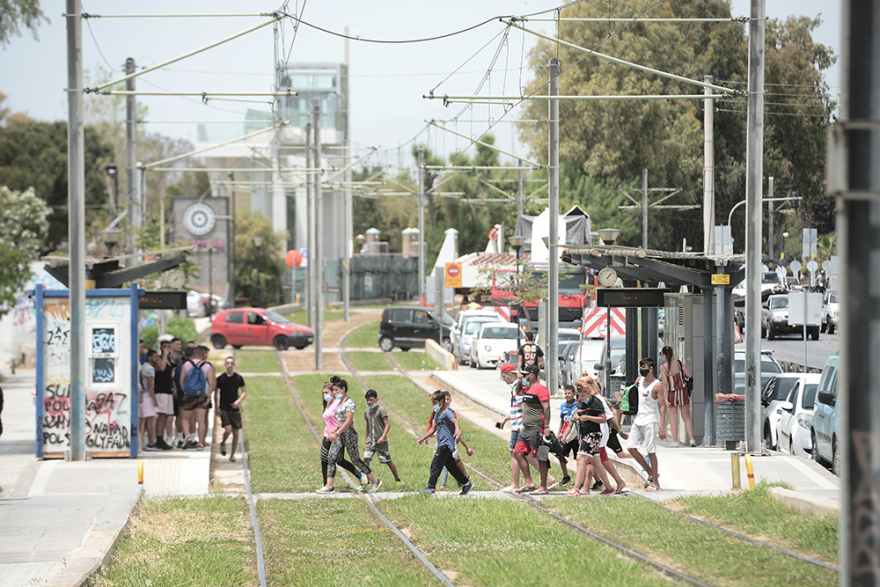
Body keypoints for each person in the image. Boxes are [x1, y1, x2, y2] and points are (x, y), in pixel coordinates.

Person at [318, 377, 381, 494]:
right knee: (331, 457)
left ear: (343, 389)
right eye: (334, 390)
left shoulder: (350, 403)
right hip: (339, 434)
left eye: (336, 390)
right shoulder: (340, 403)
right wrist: (333, 433)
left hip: (349, 434)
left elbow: (348, 421)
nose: (334, 392)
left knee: (355, 459)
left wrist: (336, 433)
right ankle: (329, 486)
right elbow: (339, 421)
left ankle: (375, 480)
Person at [418, 390, 474, 495]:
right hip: (442, 443)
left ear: (441, 401)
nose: (433, 405)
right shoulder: (437, 414)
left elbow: (455, 421)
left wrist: (457, 429)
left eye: (435, 403)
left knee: (435, 465)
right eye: (432, 403)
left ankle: (431, 488)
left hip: (446, 444)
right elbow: (433, 429)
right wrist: (423, 438)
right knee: (451, 466)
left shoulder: (447, 412)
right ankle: (466, 483)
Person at [568, 378, 613, 496]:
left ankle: (576, 488)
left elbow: (603, 419)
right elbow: (579, 412)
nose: (581, 398)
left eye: (583, 395)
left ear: (588, 393)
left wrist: (588, 418)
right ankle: (608, 486)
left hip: (593, 434)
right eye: (579, 396)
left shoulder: (596, 402)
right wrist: (577, 417)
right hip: (585, 433)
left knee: (580, 458)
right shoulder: (581, 402)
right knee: (596, 461)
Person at [628, 357, 666, 491]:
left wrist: (662, 427)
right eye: (641, 367)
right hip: (638, 418)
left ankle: (655, 482)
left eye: (644, 367)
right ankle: (651, 472)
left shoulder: (657, 385)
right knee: (631, 447)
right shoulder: (639, 380)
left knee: (651, 451)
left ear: (651, 368)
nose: (642, 369)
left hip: (651, 419)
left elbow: (663, 406)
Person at [513, 363, 551, 494]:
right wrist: (519, 381)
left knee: (541, 456)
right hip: (526, 429)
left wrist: (546, 426)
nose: (523, 376)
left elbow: (547, 408)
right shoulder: (527, 389)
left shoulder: (541, 389)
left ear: (532, 375)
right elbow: (517, 391)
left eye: (525, 375)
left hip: (537, 428)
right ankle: (529, 481)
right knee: (518, 452)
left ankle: (543, 487)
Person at [319, 382, 366, 487]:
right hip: (327, 435)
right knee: (325, 460)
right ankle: (326, 485)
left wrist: (336, 433)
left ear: (333, 392)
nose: (324, 395)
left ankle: (361, 475)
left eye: (326, 392)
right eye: (323, 393)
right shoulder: (329, 405)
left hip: (337, 436)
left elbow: (344, 420)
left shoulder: (339, 403)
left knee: (339, 460)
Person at [178, 345, 215, 450]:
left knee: (185, 418)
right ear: (203, 354)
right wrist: (208, 396)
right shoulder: (207, 366)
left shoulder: (187, 364)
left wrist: (186, 391)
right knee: (201, 420)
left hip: (189, 395)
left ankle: (188, 437)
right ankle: (201, 443)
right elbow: (211, 382)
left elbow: (181, 381)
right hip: (201, 395)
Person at [659, 346, 696, 447]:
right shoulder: (679, 363)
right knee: (686, 417)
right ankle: (692, 439)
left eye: (661, 354)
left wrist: (665, 398)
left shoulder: (663, 368)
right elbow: (689, 375)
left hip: (671, 393)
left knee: (673, 418)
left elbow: (665, 384)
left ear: (665, 355)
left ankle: (675, 442)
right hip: (683, 392)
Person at [363, 389, 401, 485]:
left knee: (387, 461)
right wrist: (366, 439)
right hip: (371, 441)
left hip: (381, 441)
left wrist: (382, 437)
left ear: (376, 400)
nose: (369, 402)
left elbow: (387, 424)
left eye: (371, 400)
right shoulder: (366, 412)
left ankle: (397, 479)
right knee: (366, 459)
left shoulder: (381, 410)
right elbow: (367, 427)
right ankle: (367, 480)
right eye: (367, 400)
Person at [214, 356, 247, 462]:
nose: (229, 365)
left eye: (231, 363)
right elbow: (216, 393)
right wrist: (216, 406)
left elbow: (244, 392)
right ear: (225, 364)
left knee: (236, 433)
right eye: (227, 363)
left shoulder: (238, 378)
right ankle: (223, 442)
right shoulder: (220, 379)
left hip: (235, 408)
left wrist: (238, 401)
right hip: (224, 407)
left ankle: (232, 455)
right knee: (228, 430)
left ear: (234, 365)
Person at [151, 341, 175, 450]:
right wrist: (164, 355)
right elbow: (161, 368)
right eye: (164, 347)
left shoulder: (169, 360)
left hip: (168, 390)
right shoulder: (160, 359)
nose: (167, 349)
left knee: (166, 416)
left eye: (168, 347)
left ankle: (163, 436)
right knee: (161, 415)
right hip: (161, 391)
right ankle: (158, 438)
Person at [173, 342, 196, 448]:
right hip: (193, 393)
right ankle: (192, 437)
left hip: (181, 393)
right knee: (191, 417)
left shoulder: (180, 366)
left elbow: (178, 380)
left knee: (180, 417)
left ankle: (180, 438)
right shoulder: (195, 366)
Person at [556, 384, 578, 487]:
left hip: (576, 436)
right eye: (565, 393)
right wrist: (559, 433)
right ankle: (566, 476)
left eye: (569, 393)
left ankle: (581, 479)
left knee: (579, 458)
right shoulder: (563, 406)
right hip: (565, 435)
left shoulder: (577, 405)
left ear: (574, 394)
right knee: (560, 454)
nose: (567, 395)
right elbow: (562, 420)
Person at [139, 350, 159, 451]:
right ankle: (151, 443)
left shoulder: (143, 367)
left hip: (141, 396)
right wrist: (154, 399)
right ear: (150, 357)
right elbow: (151, 385)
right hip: (148, 397)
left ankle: (140, 443)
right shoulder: (150, 369)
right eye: (155, 357)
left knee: (141, 422)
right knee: (150, 421)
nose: (157, 359)